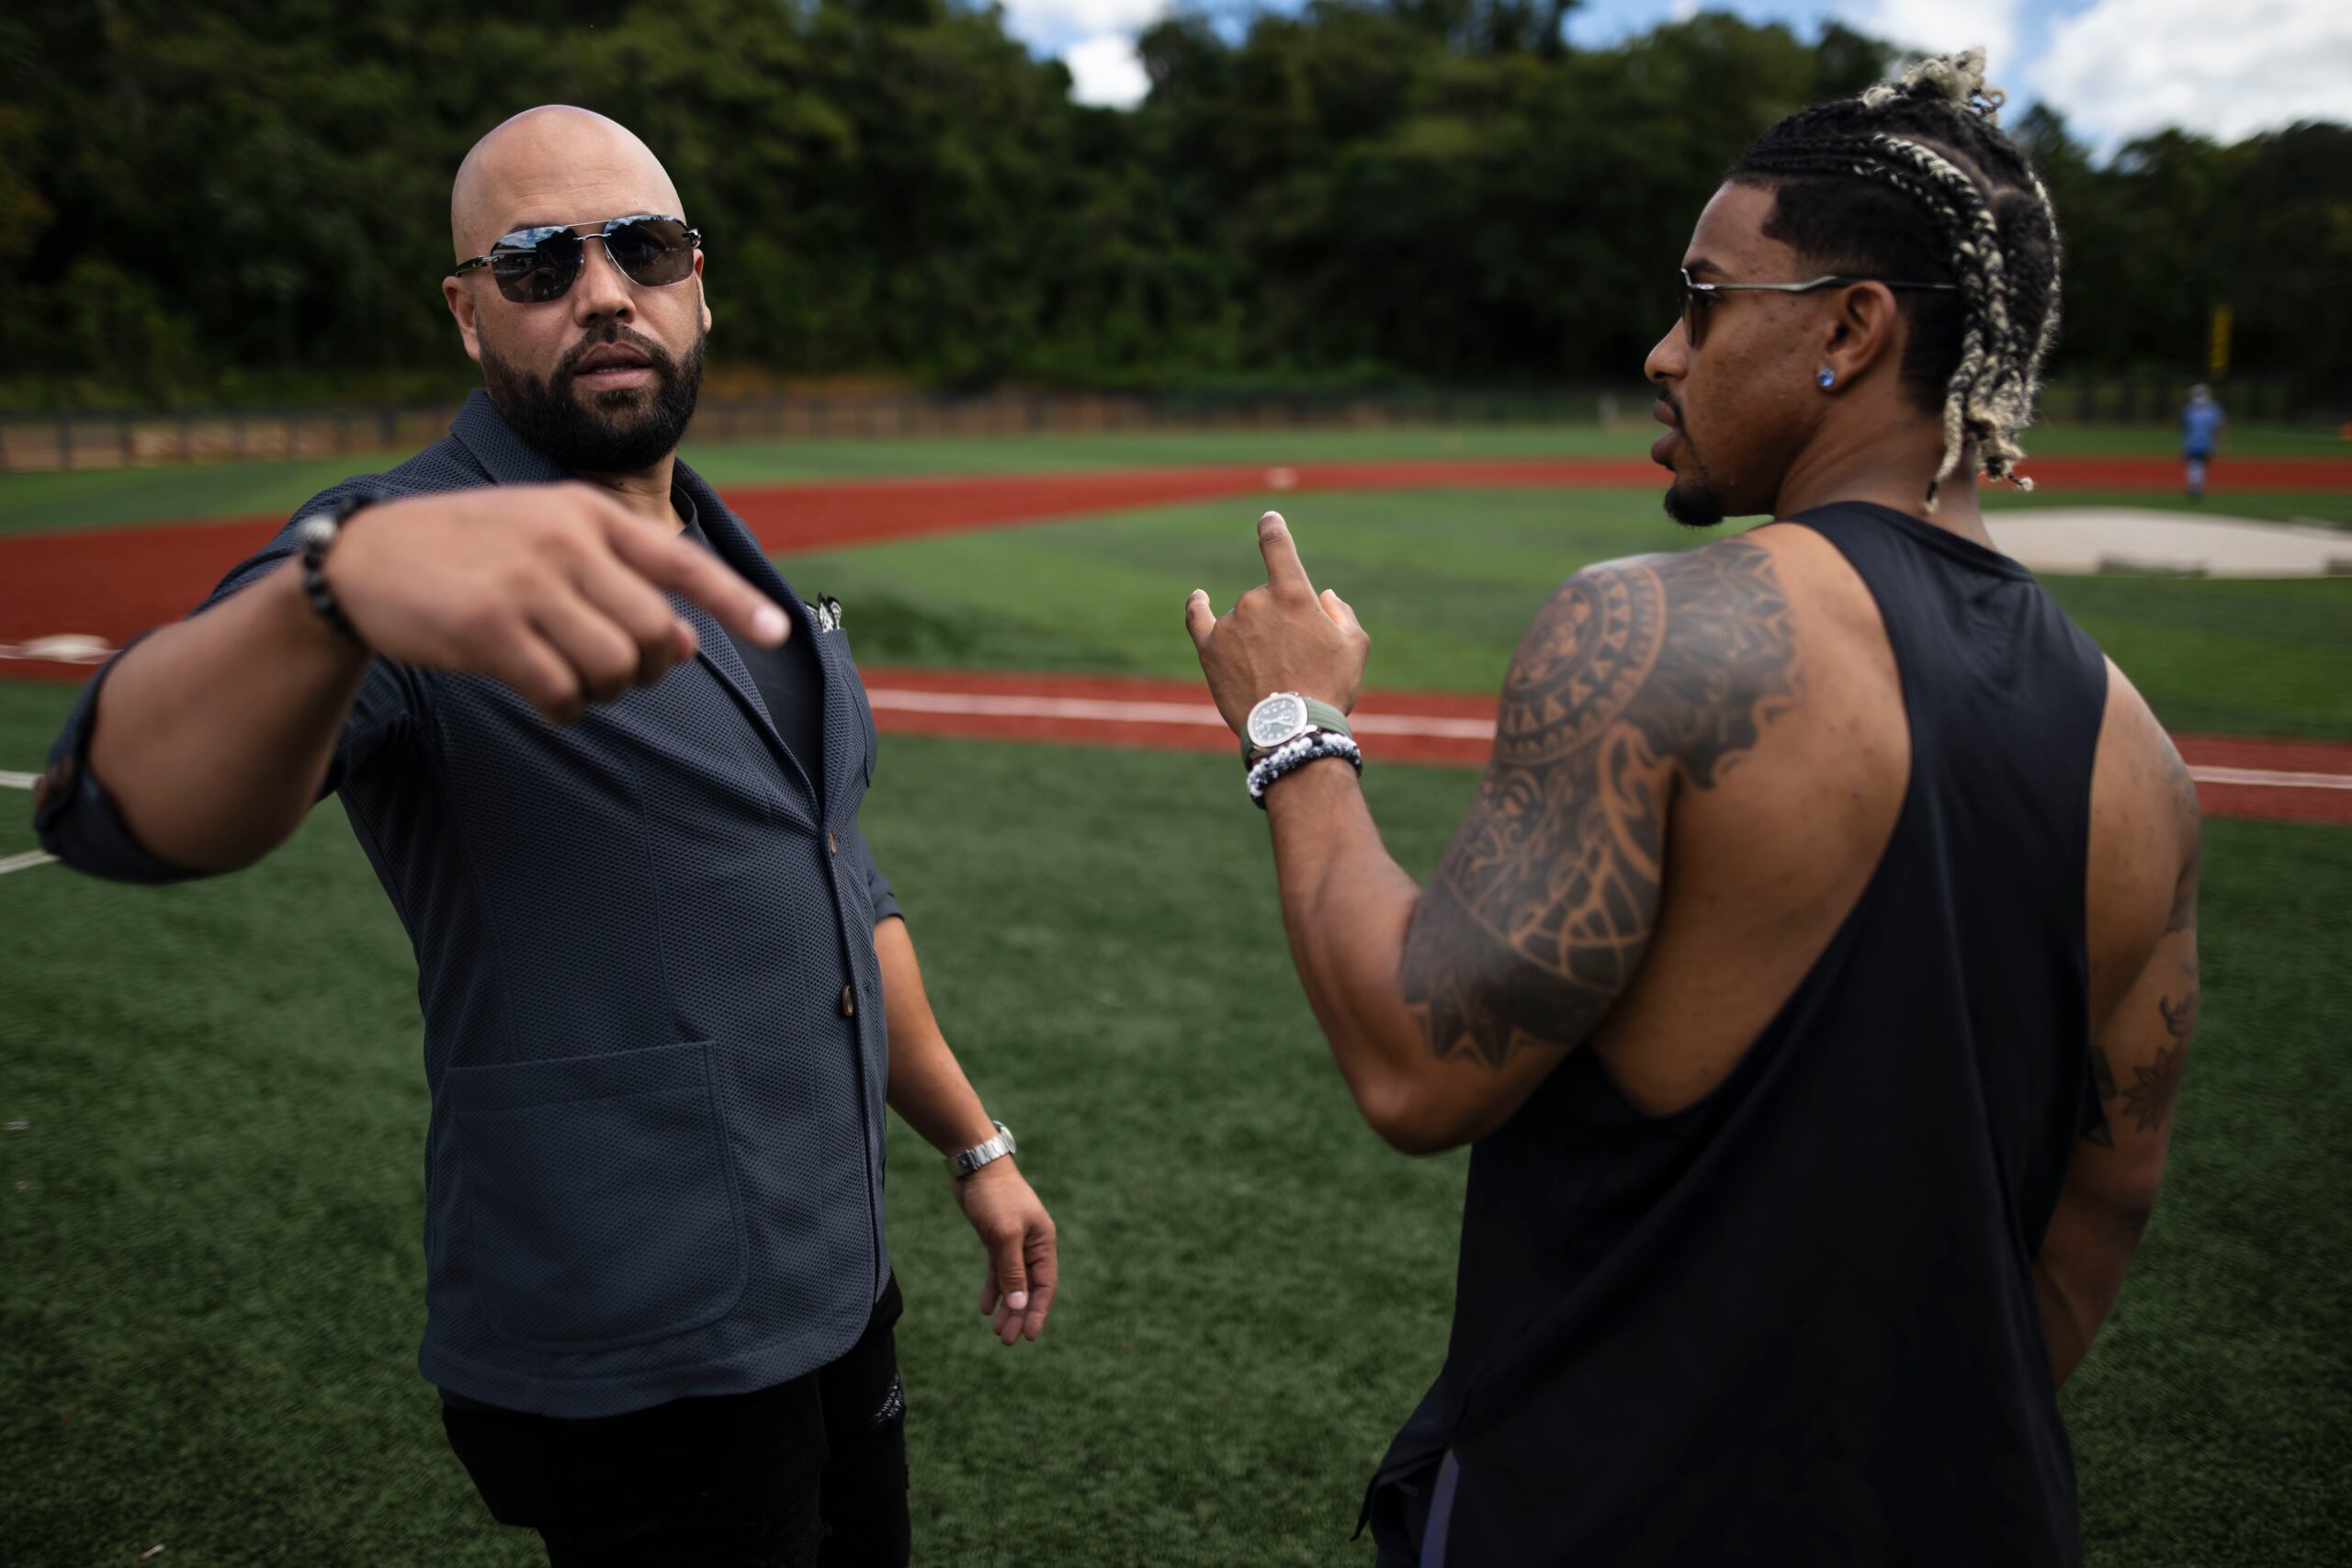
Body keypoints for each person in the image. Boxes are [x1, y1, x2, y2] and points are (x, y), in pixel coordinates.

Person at [1183, 49, 2195, 1565]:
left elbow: (1414, 1065)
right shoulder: (2145, 755)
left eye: (1708, 300)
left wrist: (1293, 724)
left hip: (1603, 1503)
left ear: (1853, 328)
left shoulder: (1663, 631)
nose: (1665, 350)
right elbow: (2099, 1211)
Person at [32, 106, 1057, 1566]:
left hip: (834, 1279)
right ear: (466, 312)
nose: (603, 291)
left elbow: (836, 884)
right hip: (637, 1340)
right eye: (535, 262)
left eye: (644, 247)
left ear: (699, 280)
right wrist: (332, 592)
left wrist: (974, 1143)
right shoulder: (401, 546)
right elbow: (110, 808)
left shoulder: (714, 535)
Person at [2182, 382, 2226, 500]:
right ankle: (2197, 486)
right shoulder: (2212, 409)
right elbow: (2219, 426)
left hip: (2192, 443)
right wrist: (2220, 440)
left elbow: (2185, 427)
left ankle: (2195, 485)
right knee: (2200, 465)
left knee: (2194, 465)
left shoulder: (2190, 409)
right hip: (2205, 443)